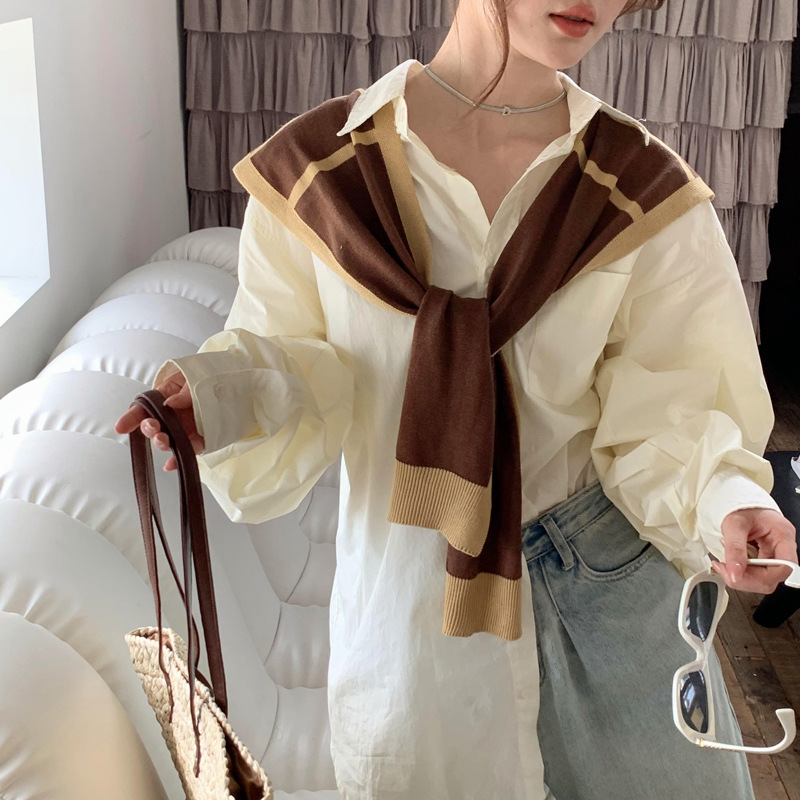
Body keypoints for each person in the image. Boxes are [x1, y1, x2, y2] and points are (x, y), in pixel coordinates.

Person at [115, 1, 799, 798]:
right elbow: (309, 368)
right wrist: (222, 398)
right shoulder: (321, 174)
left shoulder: (639, 188)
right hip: (412, 630)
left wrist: (725, 500)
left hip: (607, 606)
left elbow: (669, 411)